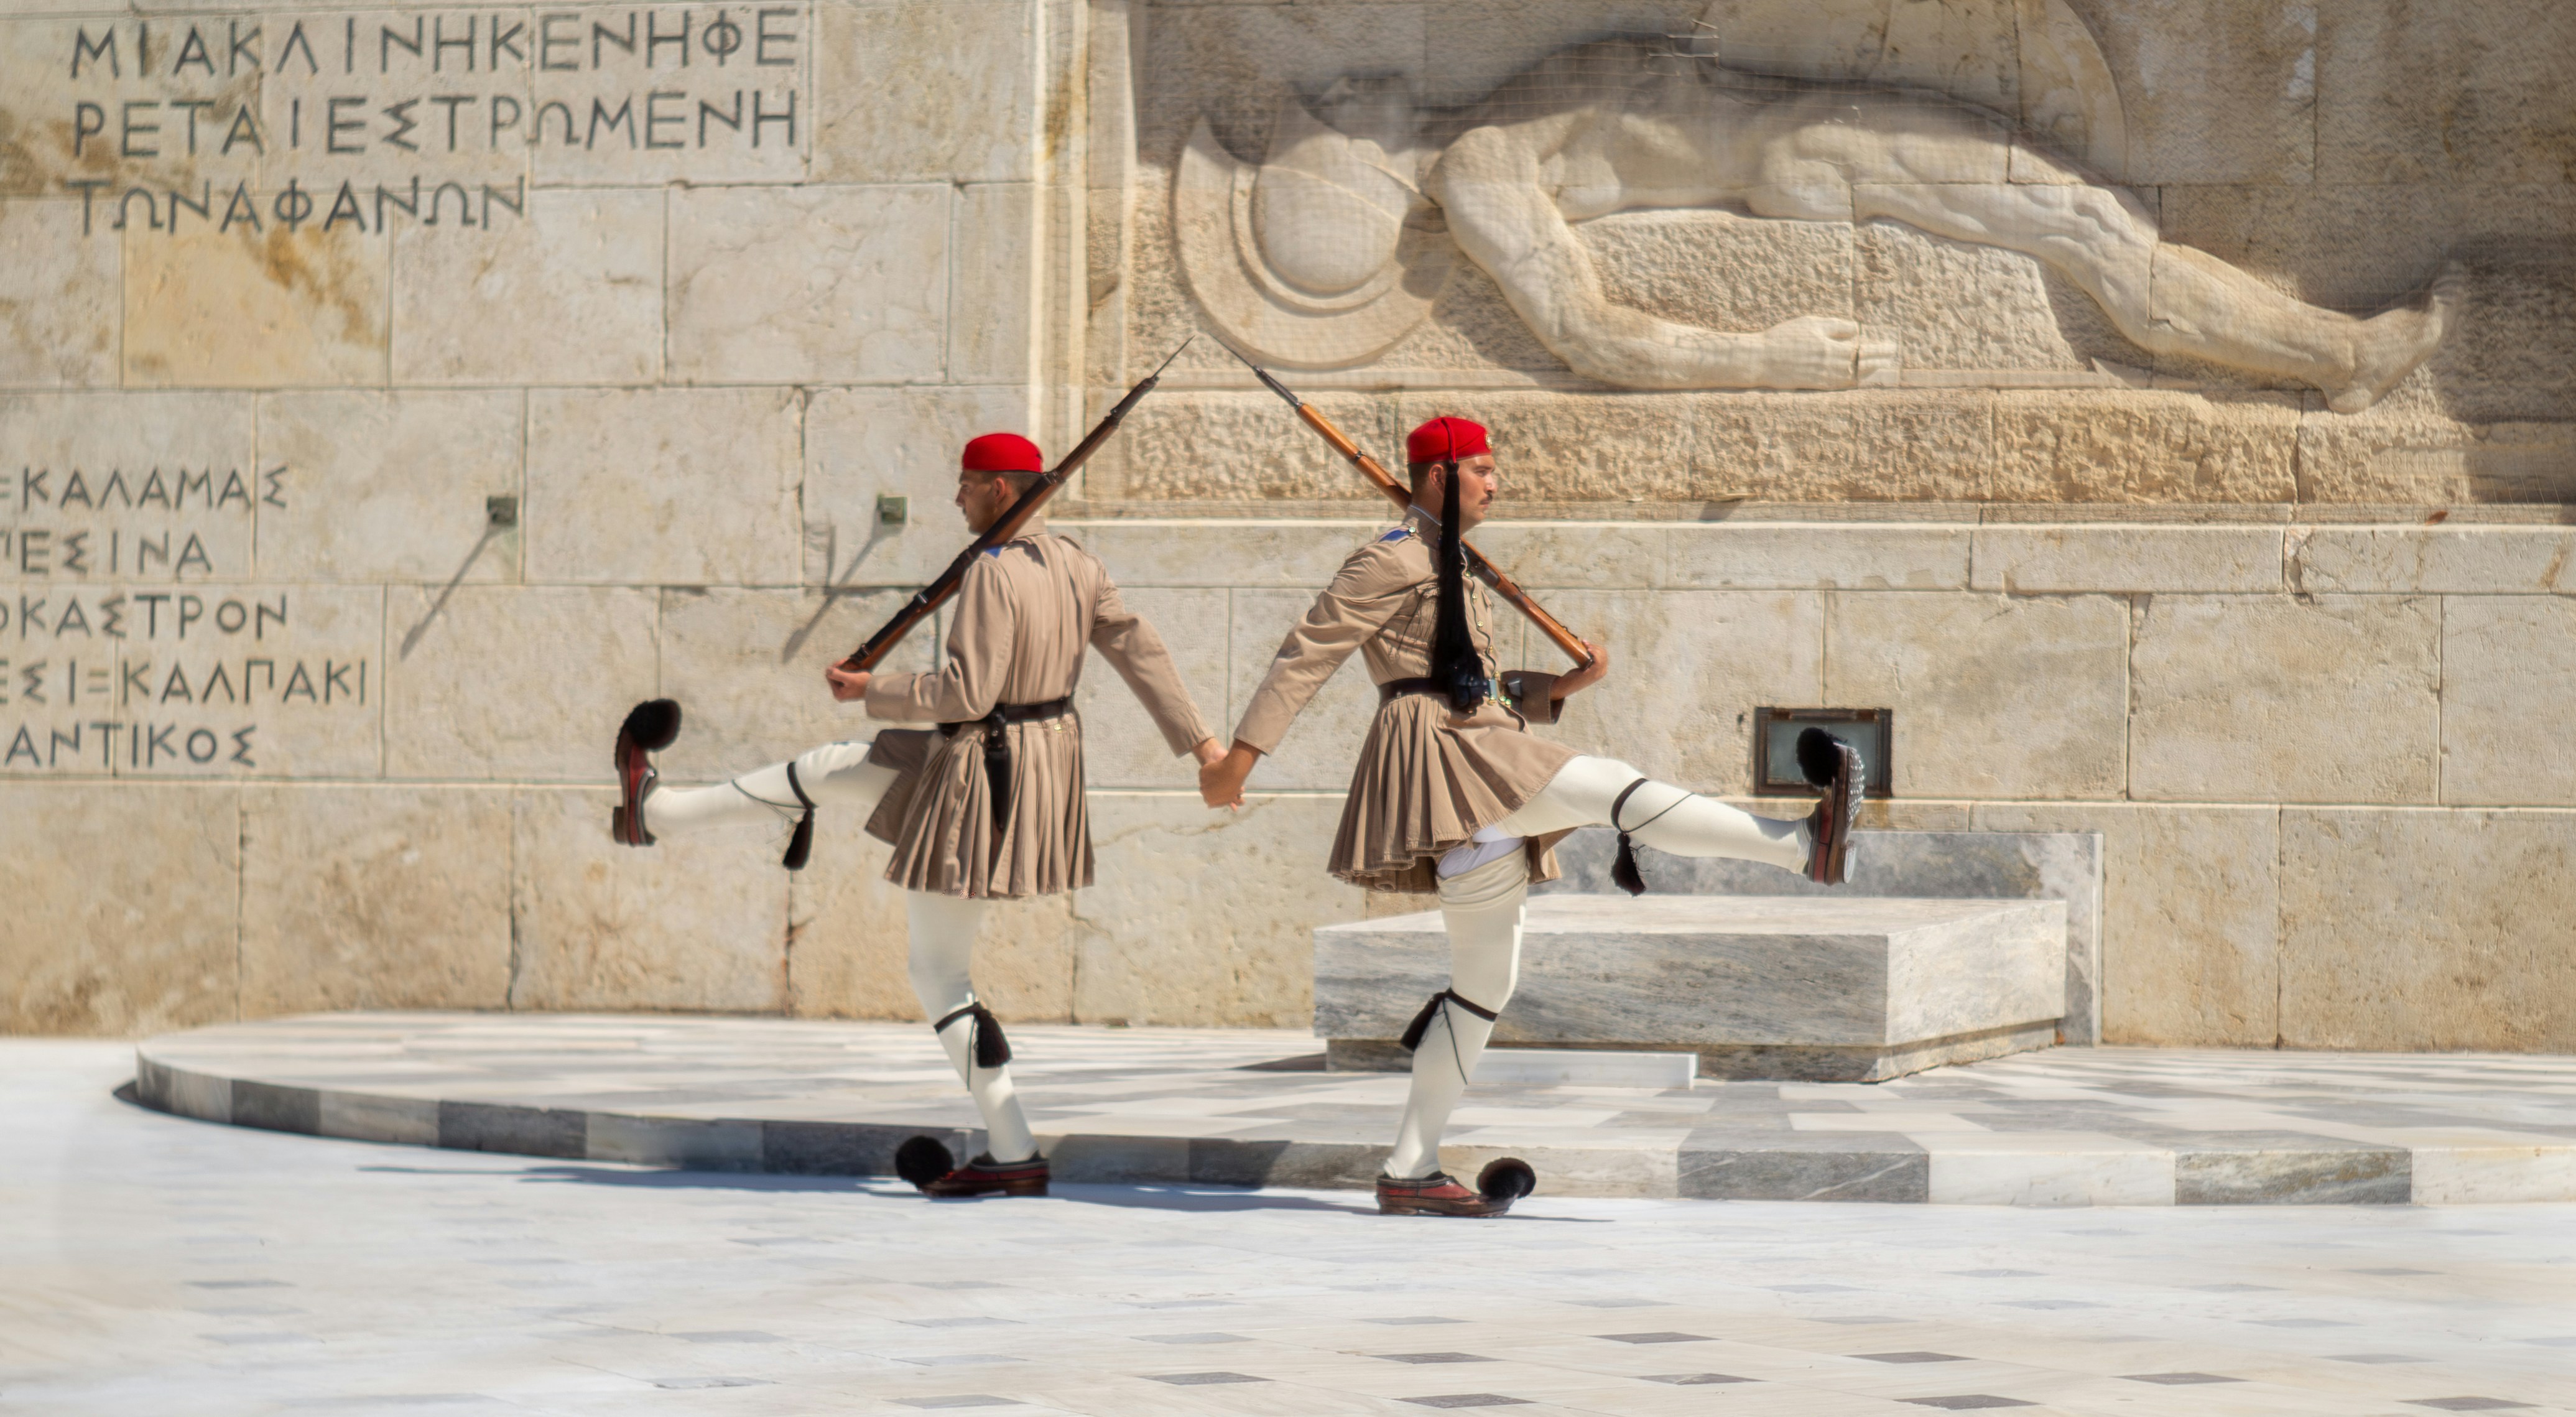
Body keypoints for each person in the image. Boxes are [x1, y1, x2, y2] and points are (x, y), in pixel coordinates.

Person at [1198, 415, 1863, 1217]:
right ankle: (1801, 848)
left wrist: (1563, 687)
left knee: (1484, 981)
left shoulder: (1458, 567)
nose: (1495, 480)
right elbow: (1306, 652)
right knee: (1605, 783)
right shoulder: (1387, 559)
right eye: (1480, 468)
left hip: (1476, 745)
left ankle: (1408, 1169)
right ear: (1438, 475)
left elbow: (1474, 681)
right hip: (1446, 755)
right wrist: (1241, 758)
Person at [614, 432, 1225, 1198]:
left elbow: (967, 695)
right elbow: (1142, 651)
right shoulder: (1079, 564)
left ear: (1002, 489)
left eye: (967, 484)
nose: (956, 497)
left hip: (978, 768)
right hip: (1033, 764)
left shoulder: (992, 576)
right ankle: (660, 811)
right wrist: (1201, 745)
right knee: (838, 766)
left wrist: (870, 687)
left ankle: (1013, 1150)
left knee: (938, 970)